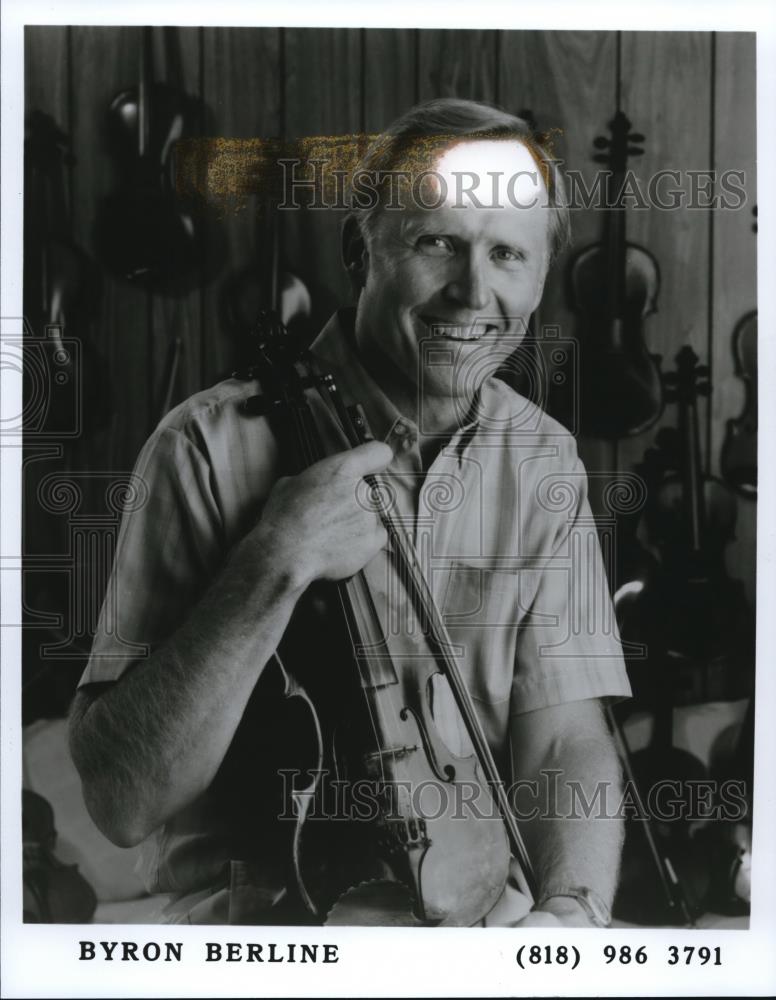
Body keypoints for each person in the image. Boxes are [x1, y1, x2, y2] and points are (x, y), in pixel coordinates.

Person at [69, 98, 631, 927]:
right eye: (437, 241)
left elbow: (564, 741)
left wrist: (571, 915)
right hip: (270, 934)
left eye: (508, 253)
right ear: (359, 251)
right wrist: (272, 562)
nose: (473, 291)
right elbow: (122, 799)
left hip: (481, 924)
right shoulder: (202, 446)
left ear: (542, 277)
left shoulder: (544, 457)